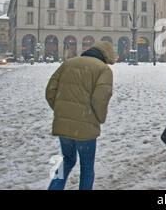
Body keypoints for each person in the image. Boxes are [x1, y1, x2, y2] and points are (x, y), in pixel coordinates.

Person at [46, 41, 115, 190]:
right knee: (87, 167)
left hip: (63, 124)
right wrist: (99, 118)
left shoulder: (68, 63)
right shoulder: (103, 70)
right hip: (86, 127)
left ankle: (53, 187)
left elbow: (50, 91)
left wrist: (61, 111)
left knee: (66, 161)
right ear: (105, 56)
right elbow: (100, 99)